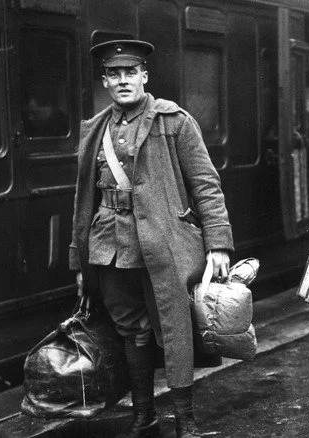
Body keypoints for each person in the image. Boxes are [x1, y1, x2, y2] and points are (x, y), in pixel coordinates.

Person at [69, 40, 233, 438]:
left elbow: (206, 186)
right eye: (114, 74)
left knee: (173, 329)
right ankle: (144, 416)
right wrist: (80, 260)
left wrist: (218, 244)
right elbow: (83, 197)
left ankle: (186, 421)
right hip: (108, 245)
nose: (122, 81)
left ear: (145, 76)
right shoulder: (95, 130)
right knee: (131, 330)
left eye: (130, 73)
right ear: (105, 81)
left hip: (163, 243)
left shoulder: (173, 121)